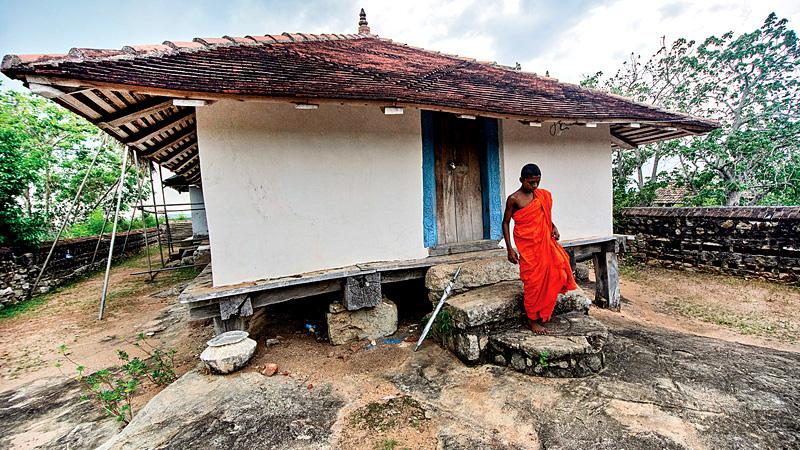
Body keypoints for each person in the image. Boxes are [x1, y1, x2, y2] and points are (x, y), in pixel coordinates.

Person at [502, 163, 577, 334]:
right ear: (522, 180)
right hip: (529, 248)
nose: (535, 186)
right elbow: (506, 223)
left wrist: (553, 226)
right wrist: (509, 249)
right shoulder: (514, 199)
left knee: (559, 273)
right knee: (533, 283)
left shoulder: (542, 196)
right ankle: (532, 320)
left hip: (545, 243)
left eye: (537, 182)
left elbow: (545, 216)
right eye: (530, 182)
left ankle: (544, 311)